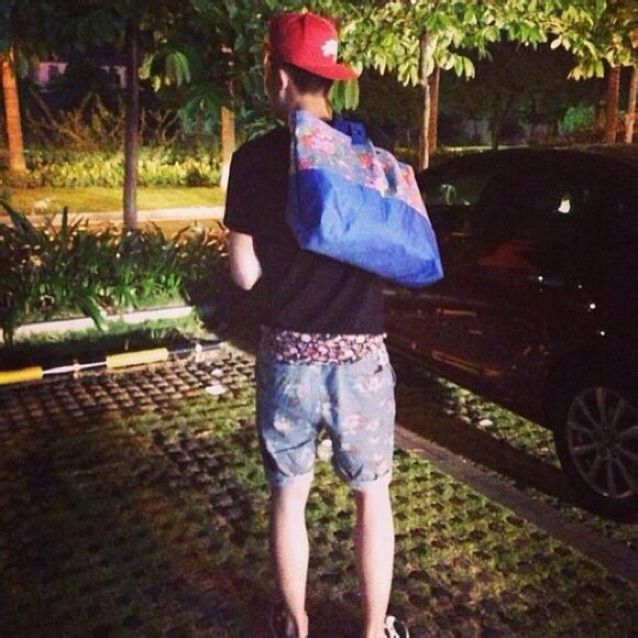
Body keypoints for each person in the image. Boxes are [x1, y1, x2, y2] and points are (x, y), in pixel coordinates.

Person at [223, 11, 409, 638]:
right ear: (330, 78)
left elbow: (244, 273)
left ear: (279, 77)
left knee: (289, 494)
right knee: (372, 495)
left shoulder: (254, 160)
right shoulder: (368, 150)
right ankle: (373, 629)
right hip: (361, 360)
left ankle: (295, 624)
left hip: (289, 358)